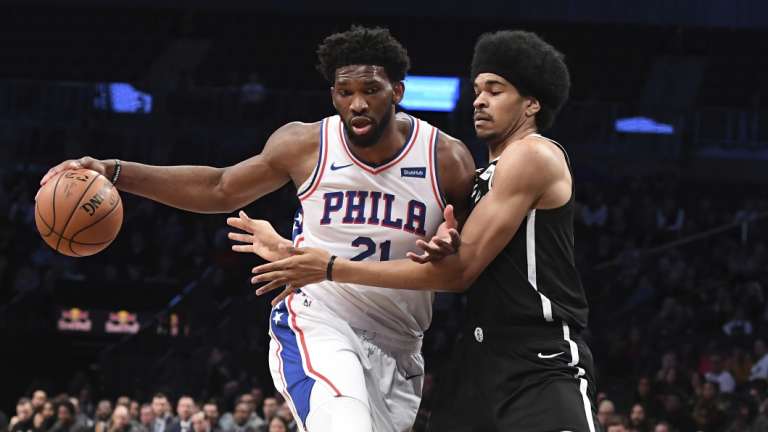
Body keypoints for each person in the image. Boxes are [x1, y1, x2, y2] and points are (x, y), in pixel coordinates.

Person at [41, 25, 474, 432]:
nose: (357, 103)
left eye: (370, 90)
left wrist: (452, 245)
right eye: (345, 92)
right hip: (320, 322)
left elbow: (468, 262)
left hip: (400, 344)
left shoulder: (446, 160)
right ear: (333, 95)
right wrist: (115, 171)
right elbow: (219, 187)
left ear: (397, 91)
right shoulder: (306, 144)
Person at [247, 30, 599, 431]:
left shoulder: (533, 154)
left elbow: (459, 271)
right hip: (478, 358)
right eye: (478, 90)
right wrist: (288, 246)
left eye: (496, 91)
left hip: (539, 357)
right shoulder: (485, 177)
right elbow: (430, 248)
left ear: (532, 103)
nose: (480, 100)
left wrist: (329, 267)